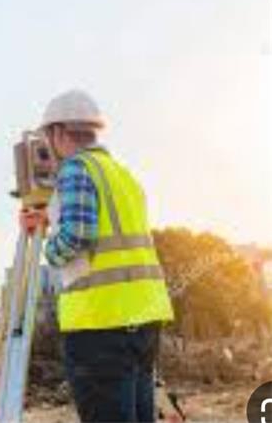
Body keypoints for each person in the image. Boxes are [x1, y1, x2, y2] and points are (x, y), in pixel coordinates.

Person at [21, 89, 174, 422]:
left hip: (101, 324)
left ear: (58, 132)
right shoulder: (121, 174)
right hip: (143, 318)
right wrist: (52, 216)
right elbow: (107, 232)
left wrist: (48, 247)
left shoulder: (76, 169)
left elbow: (78, 235)